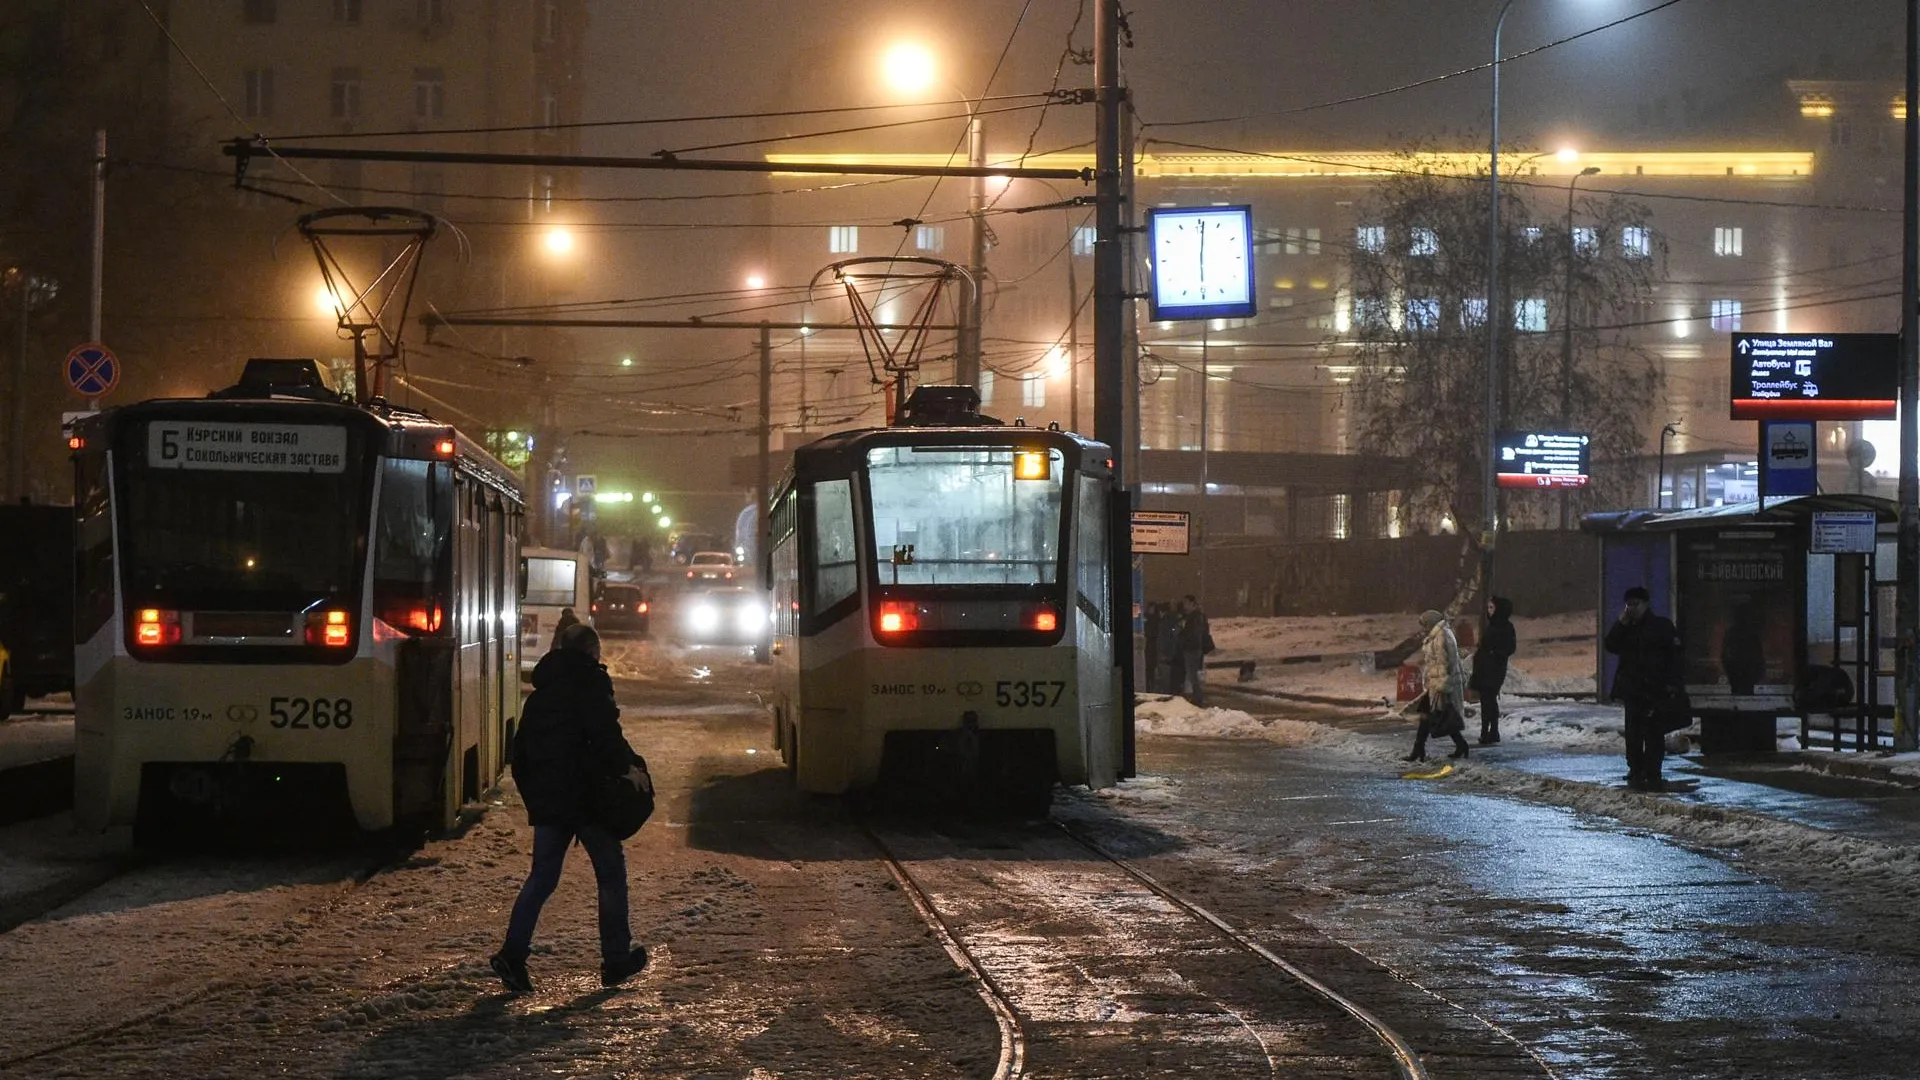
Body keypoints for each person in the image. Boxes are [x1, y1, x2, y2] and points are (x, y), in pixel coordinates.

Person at [491, 623, 650, 993]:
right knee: (610, 876)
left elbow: (522, 753)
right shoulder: (591, 684)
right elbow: (607, 737)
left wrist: (537, 798)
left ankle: (512, 954)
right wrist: (630, 769)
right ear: (592, 652)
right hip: (589, 800)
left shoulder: (541, 692)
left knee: (542, 878)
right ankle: (615, 959)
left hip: (551, 803)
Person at [1603, 585, 1685, 792]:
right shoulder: (1627, 628)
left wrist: (1672, 684)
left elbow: (1674, 657)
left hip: (1654, 689)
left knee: (1653, 733)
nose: (1631, 608)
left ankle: (1653, 771)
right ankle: (1636, 768)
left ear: (1645, 604)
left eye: (1635, 604)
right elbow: (1610, 645)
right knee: (1633, 734)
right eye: (1628, 604)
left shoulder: (1660, 626)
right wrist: (1620, 624)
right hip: (1633, 689)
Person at [1406, 609, 1471, 762]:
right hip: (1436, 683)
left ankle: (1419, 750)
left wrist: (1442, 686)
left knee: (1441, 716)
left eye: (1424, 625)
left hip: (1442, 684)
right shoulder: (1438, 635)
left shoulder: (1441, 636)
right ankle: (1419, 749)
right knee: (1430, 716)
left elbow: (1443, 663)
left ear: (1430, 623)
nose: (1423, 629)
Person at [1470, 596, 1516, 745]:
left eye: (1492, 608)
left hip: (1495, 668)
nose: (1488, 611)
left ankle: (1492, 731)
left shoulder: (1506, 627)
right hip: (1484, 668)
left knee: (1489, 699)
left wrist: (1495, 653)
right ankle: (1486, 732)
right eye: (1488, 608)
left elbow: (1510, 647)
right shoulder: (1491, 626)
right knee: (1485, 700)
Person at [1721, 602, 1765, 696]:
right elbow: (1725, 656)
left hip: (1745, 679)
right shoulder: (1733, 633)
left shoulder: (1750, 634)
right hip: (1738, 679)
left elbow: (1758, 656)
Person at [1176, 594, 1210, 707]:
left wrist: (1183, 637)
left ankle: (1198, 698)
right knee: (1192, 674)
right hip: (1192, 648)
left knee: (1193, 674)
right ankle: (1197, 697)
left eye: (1186, 603)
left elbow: (1193, 634)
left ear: (1192, 604)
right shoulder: (1191, 616)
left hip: (1192, 648)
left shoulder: (1195, 617)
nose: (1184, 605)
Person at [1156, 602, 1184, 696]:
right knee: (1176, 676)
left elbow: (1165, 639)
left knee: (1167, 676)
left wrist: (1164, 652)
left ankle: (1169, 692)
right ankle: (1176, 691)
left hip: (1169, 653)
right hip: (1176, 653)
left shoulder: (1165, 621)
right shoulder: (1175, 620)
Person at [1142, 602, 1166, 694]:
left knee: (1151, 669)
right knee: (1151, 669)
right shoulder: (1156, 619)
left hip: (1152, 648)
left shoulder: (1152, 620)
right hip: (1152, 648)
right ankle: (1151, 686)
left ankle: (1151, 687)